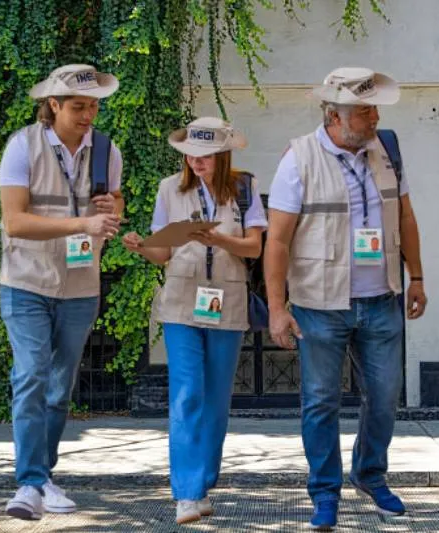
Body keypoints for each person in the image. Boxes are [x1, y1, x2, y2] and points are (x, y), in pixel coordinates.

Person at [264, 67, 428, 530]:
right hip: (319, 305)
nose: (374, 117)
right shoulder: (298, 159)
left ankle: (371, 475)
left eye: (374, 108)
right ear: (334, 116)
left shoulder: (388, 151)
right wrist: (277, 308)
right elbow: (276, 241)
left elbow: (407, 219)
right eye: (364, 111)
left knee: (384, 395)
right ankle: (324, 491)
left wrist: (416, 277)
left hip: (382, 299)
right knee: (320, 401)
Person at [122, 117, 267, 525]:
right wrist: (141, 247)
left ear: (223, 155)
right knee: (187, 393)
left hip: (229, 299)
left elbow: (254, 248)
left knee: (216, 399)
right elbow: (162, 253)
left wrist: (219, 239)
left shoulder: (245, 188)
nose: (196, 162)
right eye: (191, 155)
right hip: (182, 302)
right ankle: (186, 493)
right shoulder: (170, 188)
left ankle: (202, 483)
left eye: (205, 156)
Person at [0, 64, 124, 520]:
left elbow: (113, 207)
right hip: (25, 281)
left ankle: (41, 477)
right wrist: (81, 223)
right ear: (53, 105)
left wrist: (111, 210)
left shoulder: (107, 150)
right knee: (31, 375)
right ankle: (30, 482)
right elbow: (14, 221)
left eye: (93, 105)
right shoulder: (21, 146)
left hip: (79, 284)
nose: (89, 114)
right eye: (78, 106)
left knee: (59, 385)